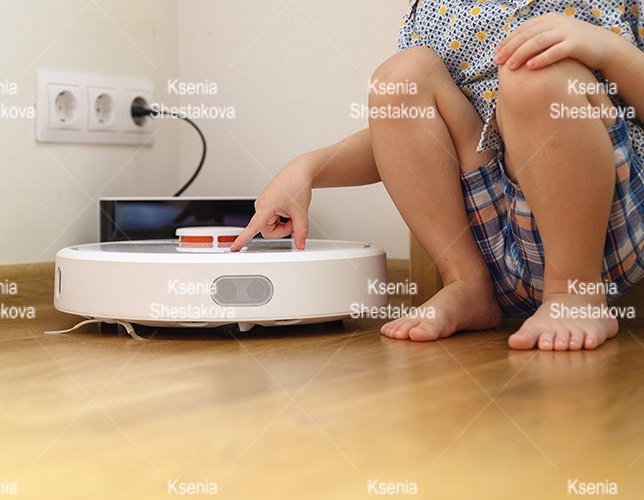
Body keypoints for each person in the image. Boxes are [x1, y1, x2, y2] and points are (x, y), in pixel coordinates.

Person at [231, 2, 644, 351]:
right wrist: (309, 167)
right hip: (488, 237)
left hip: (603, 230)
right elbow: (403, 136)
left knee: (534, 74)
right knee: (399, 79)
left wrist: (609, 51)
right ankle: (466, 284)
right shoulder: (438, 10)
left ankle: (574, 292)